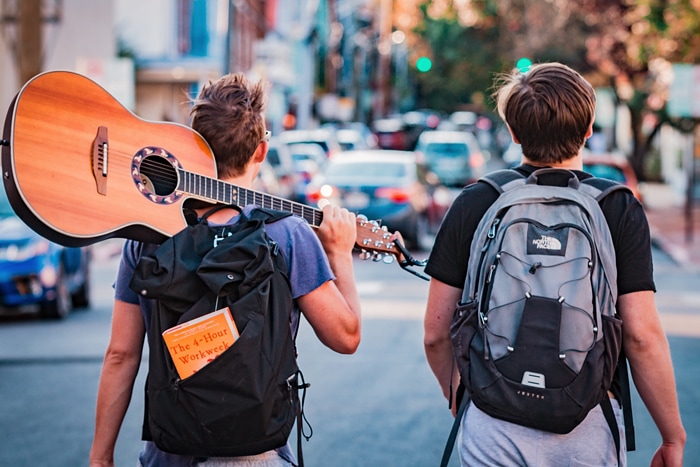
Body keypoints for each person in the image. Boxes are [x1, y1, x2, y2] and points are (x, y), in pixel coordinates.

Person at [89, 73, 362, 467]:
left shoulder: (149, 234)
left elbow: (120, 354)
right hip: (255, 455)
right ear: (261, 151)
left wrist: (100, 458)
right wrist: (339, 253)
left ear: (191, 144)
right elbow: (346, 337)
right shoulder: (286, 234)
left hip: (169, 452)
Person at [423, 62, 686, 466]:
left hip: (494, 424)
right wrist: (672, 437)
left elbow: (436, 335)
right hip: (588, 423)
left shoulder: (476, 202)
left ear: (513, 132)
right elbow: (642, 337)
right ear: (588, 129)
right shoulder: (616, 208)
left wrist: (462, 397)